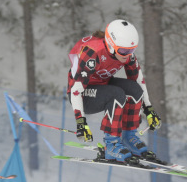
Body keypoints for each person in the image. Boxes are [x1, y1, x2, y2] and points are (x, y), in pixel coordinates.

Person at [67, 19, 161, 163]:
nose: (127, 55)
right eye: (123, 51)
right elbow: (75, 90)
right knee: (116, 94)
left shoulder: (125, 53)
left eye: (132, 50)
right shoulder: (92, 53)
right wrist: (81, 122)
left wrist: (149, 109)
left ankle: (129, 137)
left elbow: (139, 81)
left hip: (102, 83)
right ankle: (111, 145)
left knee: (134, 90)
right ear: (111, 45)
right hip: (83, 94)